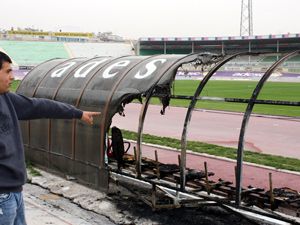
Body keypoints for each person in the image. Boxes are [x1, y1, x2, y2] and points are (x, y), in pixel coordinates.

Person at [0, 51, 100, 225]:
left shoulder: (7, 99)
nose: (13, 77)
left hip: (14, 192)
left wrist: (77, 113)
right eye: (8, 71)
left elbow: (39, 106)